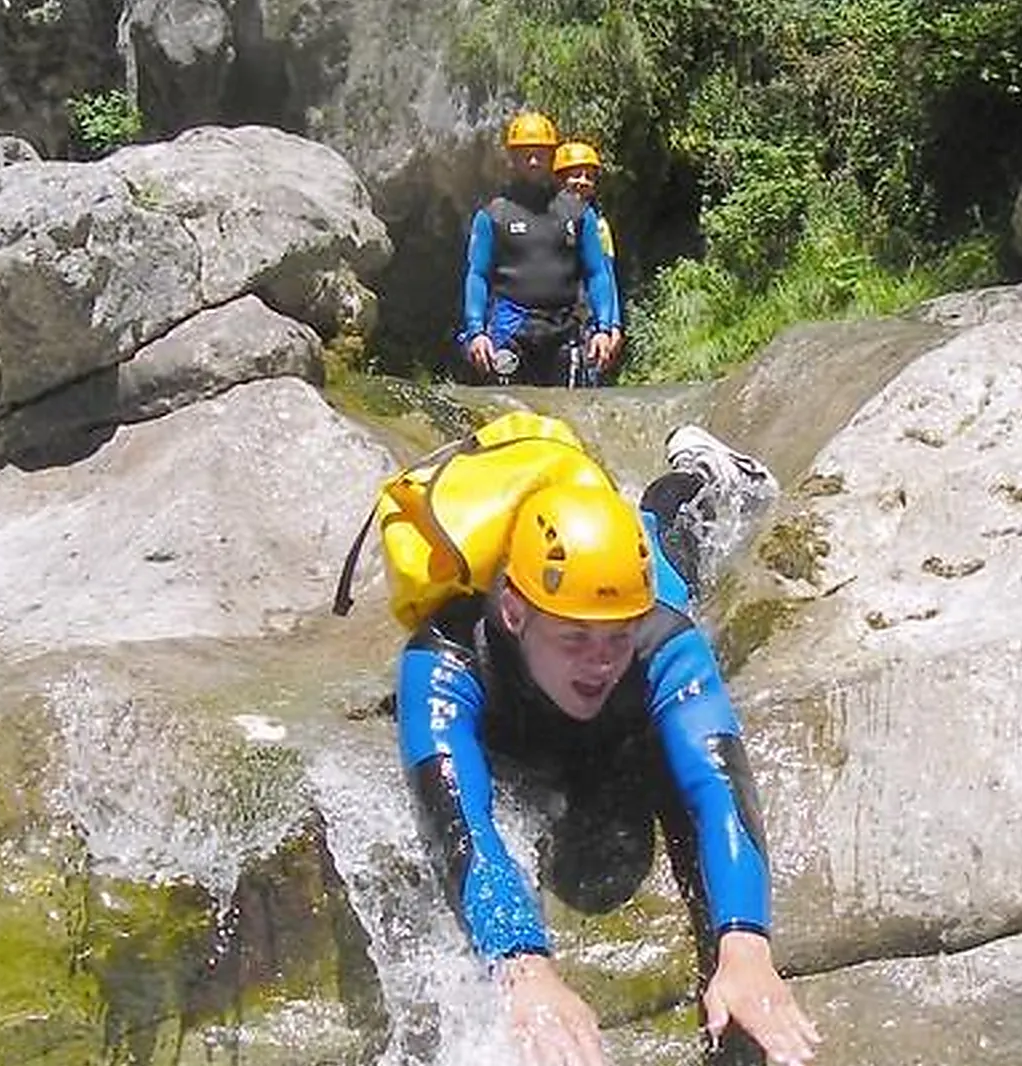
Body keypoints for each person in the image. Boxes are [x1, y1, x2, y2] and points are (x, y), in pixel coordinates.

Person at [396, 424, 817, 1066]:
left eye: (615, 637)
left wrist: (745, 947)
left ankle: (707, 472)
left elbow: (719, 787)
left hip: (642, 563)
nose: (600, 664)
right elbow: (457, 821)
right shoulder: (447, 656)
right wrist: (523, 966)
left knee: (670, 536)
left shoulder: (660, 636)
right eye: (574, 640)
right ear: (514, 611)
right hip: (568, 580)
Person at [460, 112, 620, 387]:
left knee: (569, 415)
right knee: (510, 416)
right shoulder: (493, 215)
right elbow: (478, 275)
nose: (533, 161)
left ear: (552, 155)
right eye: (525, 154)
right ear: (512, 158)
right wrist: (476, 331)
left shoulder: (578, 213)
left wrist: (604, 328)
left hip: (565, 329)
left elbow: (597, 273)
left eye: (540, 154)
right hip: (512, 328)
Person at [552, 140, 624, 371]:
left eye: (589, 176)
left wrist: (612, 324)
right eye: (575, 175)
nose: (583, 182)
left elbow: (606, 273)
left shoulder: (599, 224)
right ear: (558, 178)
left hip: (587, 318)